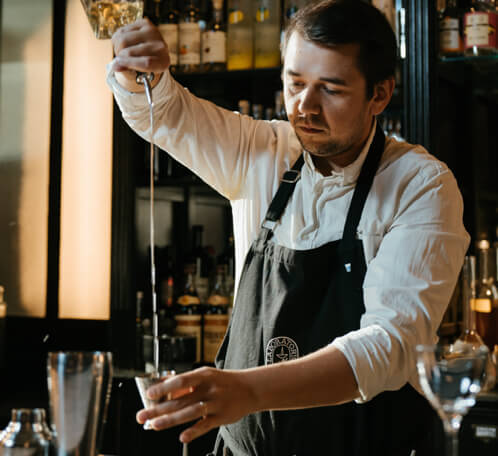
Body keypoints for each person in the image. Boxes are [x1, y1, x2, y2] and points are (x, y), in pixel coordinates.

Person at [108, 1, 469, 454]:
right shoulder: (263, 151)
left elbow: (392, 345)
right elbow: (164, 113)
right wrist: (139, 70)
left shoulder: (420, 185)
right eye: (295, 83)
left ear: (379, 95)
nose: (305, 107)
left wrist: (247, 390)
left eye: (331, 89)